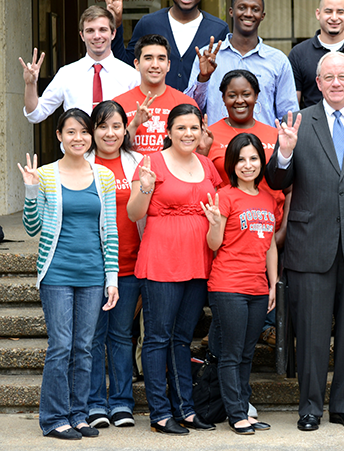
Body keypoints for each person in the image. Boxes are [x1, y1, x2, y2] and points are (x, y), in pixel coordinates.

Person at [266, 51, 344, 431]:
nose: (336, 82)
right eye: (329, 77)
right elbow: (276, 181)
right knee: (311, 333)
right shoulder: (298, 122)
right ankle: (309, 408)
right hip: (310, 244)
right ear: (317, 83)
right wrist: (285, 151)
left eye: (343, 76)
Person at [19, 109, 119, 440]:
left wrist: (112, 278)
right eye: (71, 132)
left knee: (85, 346)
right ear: (59, 136)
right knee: (61, 345)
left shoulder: (103, 176)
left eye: (84, 132)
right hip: (57, 272)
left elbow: (111, 231)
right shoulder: (46, 175)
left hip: (92, 273)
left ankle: (79, 414)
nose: (79, 138)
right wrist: (31, 191)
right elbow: (32, 227)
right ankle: (53, 417)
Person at [126, 104, 222, 434]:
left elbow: (216, 214)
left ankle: (185, 408)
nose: (187, 134)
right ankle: (160, 413)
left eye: (193, 128)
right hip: (161, 262)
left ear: (201, 131)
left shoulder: (208, 166)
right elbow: (134, 214)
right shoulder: (151, 162)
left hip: (197, 263)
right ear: (169, 131)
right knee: (156, 339)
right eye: (181, 128)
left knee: (182, 339)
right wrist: (146, 187)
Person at [206, 69, 290, 350]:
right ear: (223, 98)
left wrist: (282, 229)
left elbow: (287, 185)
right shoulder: (211, 134)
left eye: (246, 94)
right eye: (232, 95)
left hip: (267, 228)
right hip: (225, 230)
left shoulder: (272, 134)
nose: (239, 100)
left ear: (257, 97)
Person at [202, 133, 277, 435]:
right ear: (232, 164)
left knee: (247, 353)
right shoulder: (225, 196)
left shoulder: (268, 198)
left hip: (258, 288)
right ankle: (236, 414)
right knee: (231, 353)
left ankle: (243, 407)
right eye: (241, 159)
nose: (248, 165)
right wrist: (214, 222)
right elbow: (213, 244)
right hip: (228, 285)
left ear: (262, 161)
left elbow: (270, 245)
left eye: (254, 159)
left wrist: (274, 284)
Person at [86, 101, 143, 429]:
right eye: (103, 126)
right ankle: (95, 403)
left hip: (131, 265)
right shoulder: (82, 163)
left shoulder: (137, 162)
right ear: (93, 131)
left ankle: (121, 402)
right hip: (93, 267)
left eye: (116, 126)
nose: (110, 133)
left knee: (122, 336)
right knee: (94, 338)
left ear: (126, 130)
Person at [186, 0, 299, 126]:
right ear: (231, 11)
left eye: (255, 9)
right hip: (217, 144)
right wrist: (203, 79)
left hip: (263, 144)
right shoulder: (208, 56)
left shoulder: (278, 60)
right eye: (242, 8)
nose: (248, 13)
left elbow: (288, 116)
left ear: (262, 16)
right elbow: (190, 109)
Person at [108, 0, 229, 91]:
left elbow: (225, 76)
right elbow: (125, 64)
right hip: (154, 107)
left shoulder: (218, 29)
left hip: (199, 109)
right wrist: (116, 25)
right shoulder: (148, 23)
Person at [21, 6, 139, 124]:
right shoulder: (66, 74)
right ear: (82, 36)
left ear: (113, 34)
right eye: (90, 31)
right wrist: (30, 84)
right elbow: (35, 115)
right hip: (77, 142)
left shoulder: (131, 76)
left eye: (103, 30)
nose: (97, 36)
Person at [113, 34, 200, 154]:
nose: (155, 65)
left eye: (161, 58)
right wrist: (134, 124)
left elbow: (193, 150)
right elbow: (112, 149)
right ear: (137, 64)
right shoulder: (118, 105)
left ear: (168, 65)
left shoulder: (186, 103)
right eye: (148, 58)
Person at [288, 0, 344, 108]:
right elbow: (292, 103)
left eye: (340, 12)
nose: (334, 17)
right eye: (328, 11)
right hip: (311, 125)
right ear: (318, 14)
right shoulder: (299, 53)